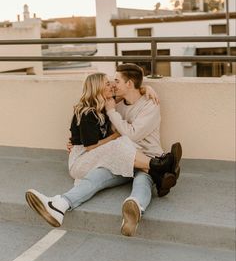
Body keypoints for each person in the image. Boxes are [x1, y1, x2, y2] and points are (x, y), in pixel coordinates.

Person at [26, 64, 182, 236]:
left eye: (116, 81)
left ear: (129, 84)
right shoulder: (114, 102)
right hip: (121, 158)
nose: (113, 85)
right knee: (96, 177)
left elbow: (132, 136)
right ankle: (60, 205)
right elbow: (92, 131)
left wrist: (144, 90)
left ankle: (135, 207)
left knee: (141, 181)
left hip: (146, 155)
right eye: (110, 82)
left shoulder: (149, 104)